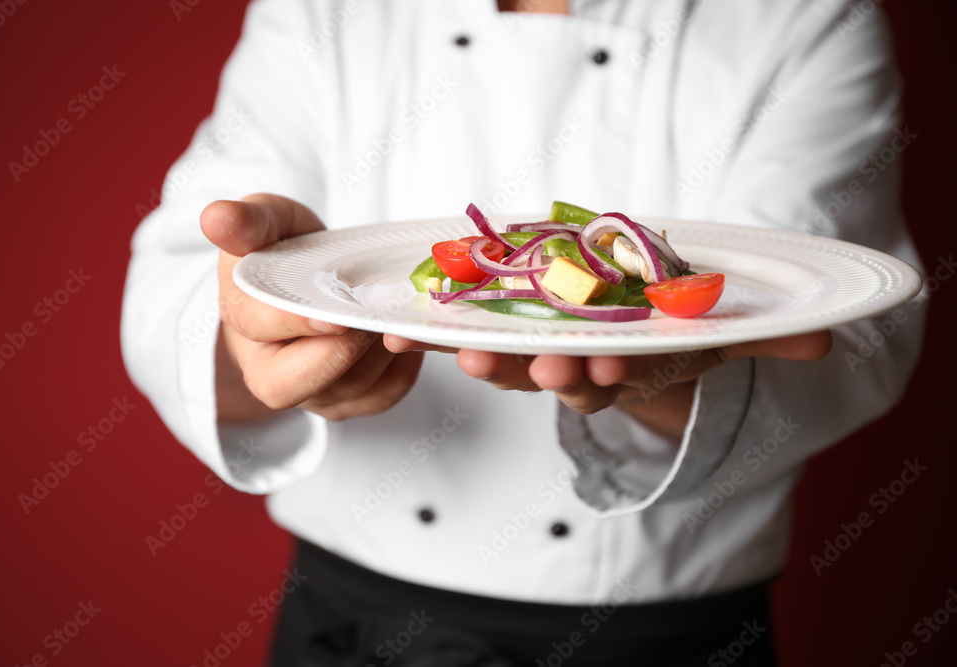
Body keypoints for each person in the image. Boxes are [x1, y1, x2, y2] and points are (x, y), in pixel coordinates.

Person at [122, 0, 925, 664]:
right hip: (349, 618)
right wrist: (255, 335)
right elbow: (186, 275)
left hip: (659, 636)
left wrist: (670, 382)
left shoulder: (808, 16)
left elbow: (841, 316)